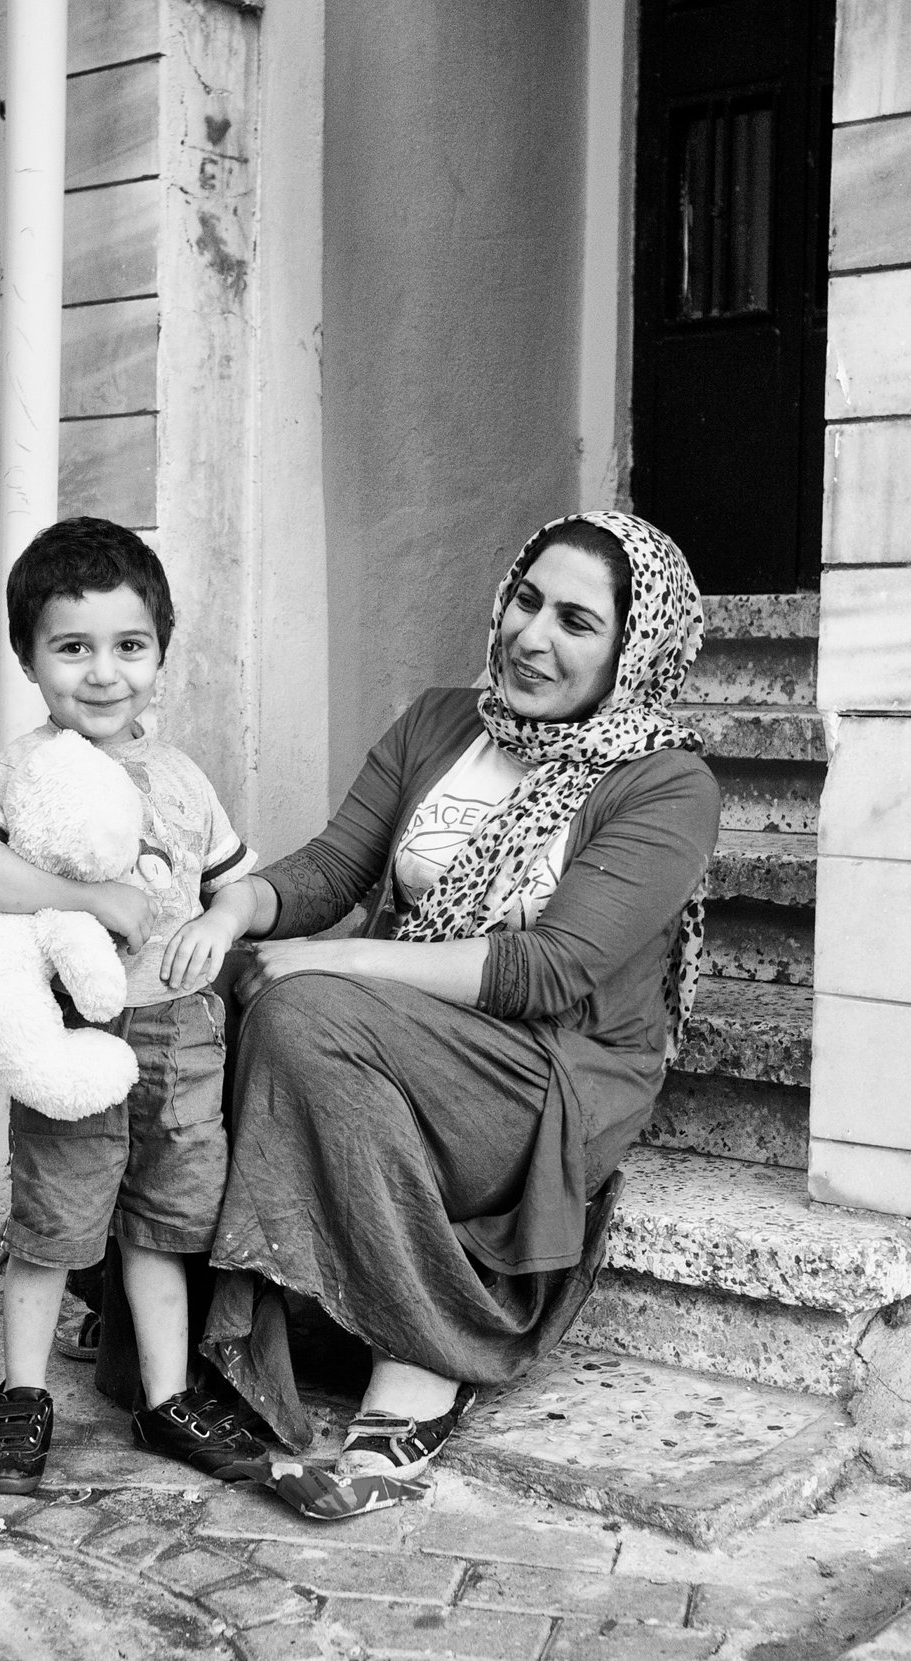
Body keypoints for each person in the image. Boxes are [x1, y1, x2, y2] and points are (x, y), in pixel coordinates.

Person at [205, 510, 719, 1520]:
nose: (533, 636)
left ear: (632, 646)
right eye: (526, 601)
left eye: (577, 620)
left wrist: (342, 953)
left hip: (548, 1071)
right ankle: (161, 1302)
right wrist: (231, 908)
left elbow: (549, 967)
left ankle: (424, 1357)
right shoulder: (442, 721)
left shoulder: (666, 782)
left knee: (304, 1010)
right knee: (197, 984)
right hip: (405, 1028)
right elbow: (333, 866)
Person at [0, 517, 271, 1494]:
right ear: (28, 658)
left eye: (129, 645)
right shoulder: (24, 771)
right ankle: (22, 1394)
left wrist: (224, 920)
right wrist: (83, 901)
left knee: (164, 1218)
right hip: (76, 1036)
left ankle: (165, 1398)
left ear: (161, 650)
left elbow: (235, 884)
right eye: (71, 647)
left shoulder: (184, 778)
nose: (103, 672)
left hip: (179, 1031)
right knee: (55, 1212)